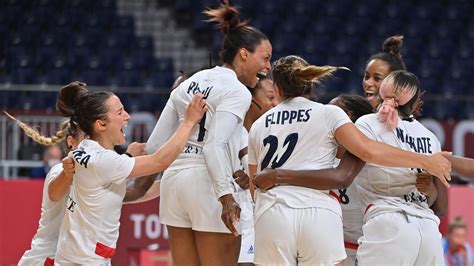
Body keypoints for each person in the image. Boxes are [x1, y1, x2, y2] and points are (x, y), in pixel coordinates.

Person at [247, 55, 451, 265]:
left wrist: (276, 175)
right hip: (327, 216)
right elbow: (366, 152)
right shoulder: (428, 137)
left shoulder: (259, 125)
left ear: (277, 88)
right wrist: (425, 162)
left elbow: (256, 186)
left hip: (276, 213)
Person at [145, 1, 272, 264]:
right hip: (209, 183)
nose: (268, 67)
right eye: (266, 57)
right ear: (244, 54)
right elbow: (213, 146)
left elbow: (155, 145)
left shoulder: (189, 83)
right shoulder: (237, 91)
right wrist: (225, 196)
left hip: (174, 183)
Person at [51, 81, 206, 264]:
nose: (127, 116)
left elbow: (131, 192)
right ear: (101, 124)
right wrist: (188, 122)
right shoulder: (103, 161)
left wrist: (176, 179)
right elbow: (160, 161)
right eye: (120, 112)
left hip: (76, 257)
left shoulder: (85, 151)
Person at [353, 70, 447, 265]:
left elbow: (366, 154)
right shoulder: (430, 137)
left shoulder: (366, 123)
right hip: (428, 230)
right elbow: (440, 204)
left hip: (388, 222)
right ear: (415, 102)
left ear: (382, 93)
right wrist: (429, 189)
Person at [363, 35, 406, 110]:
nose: (368, 83)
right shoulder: (357, 118)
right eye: (366, 77)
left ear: (396, 83)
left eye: (377, 78)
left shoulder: (406, 121)